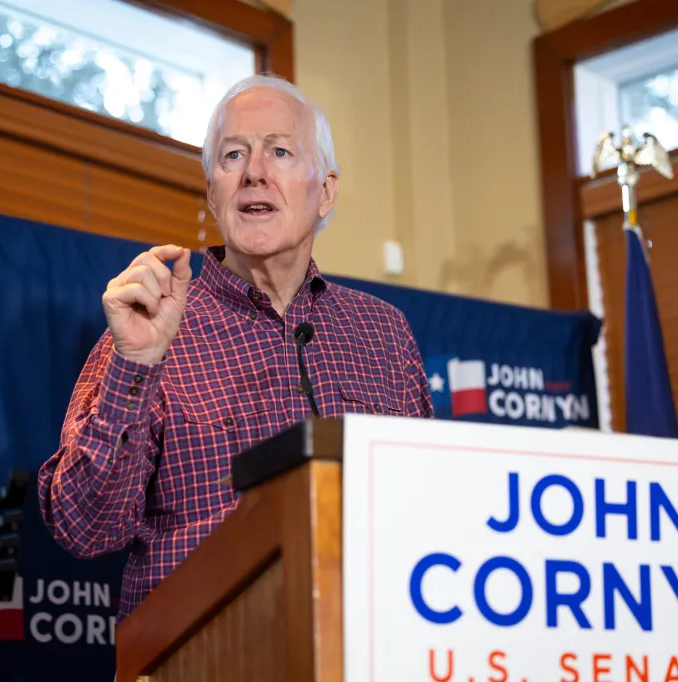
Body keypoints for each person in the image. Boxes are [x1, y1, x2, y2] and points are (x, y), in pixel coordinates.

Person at [37, 73, 434, 623]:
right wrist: (137, 366)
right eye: (233, 155)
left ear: (325, 192)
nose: (254, 173)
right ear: (213, 194)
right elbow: (85, 529)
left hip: (369, 634)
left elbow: (426, 511)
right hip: (205, 644)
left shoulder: (383, 333)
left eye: (279, 151)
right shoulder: (150, 330)